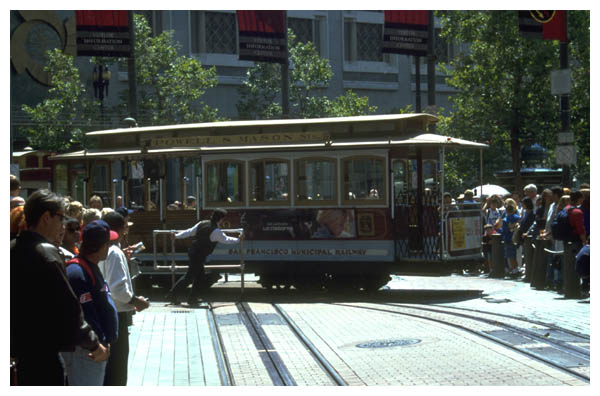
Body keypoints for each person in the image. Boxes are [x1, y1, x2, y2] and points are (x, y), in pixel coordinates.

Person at [10, 189, 108, 385]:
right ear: (46, 217)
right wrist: (94, 344)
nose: (63, 226)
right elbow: (69, 309)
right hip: (44, 356)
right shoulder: (46, 253)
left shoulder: (12, 249)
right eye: (61, 218)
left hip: (19, 356)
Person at [62, 220, 119, 386]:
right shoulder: (77, 272)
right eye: (108, 243)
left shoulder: (89, 266)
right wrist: (97, 344)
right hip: (86, 351)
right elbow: (82, 314)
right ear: (101, 245)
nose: (110, 247)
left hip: (94, 349)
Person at [99, 211, 149, 386]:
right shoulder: (114, 252)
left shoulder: (102, 249)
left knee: (109, 368)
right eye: (126, 227)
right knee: (117, 368)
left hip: (105, 314)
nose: (126, 231)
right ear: (120, 229)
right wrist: (136, 301)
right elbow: (118, 289)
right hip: (116, 315)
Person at [165, 209, 243, 306]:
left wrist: (176, 236)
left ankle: (192, 299)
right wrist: (238, 240)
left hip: (194, 252)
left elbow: (189, 232)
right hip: (199, 255)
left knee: (199, 277)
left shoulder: (202, 223)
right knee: (189, 277)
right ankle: (173, 295)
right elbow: (226, 240)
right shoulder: (216, 231)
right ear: (221, 219)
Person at [495, 198, 521, 277]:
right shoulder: (518, 218)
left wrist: (498, 229)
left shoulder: (506, 220)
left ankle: (514, 270)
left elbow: (504, 231)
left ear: (506, 211)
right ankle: (516, 269)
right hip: (516, 238)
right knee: (514, 255)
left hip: (508, 239)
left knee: (510, 256)